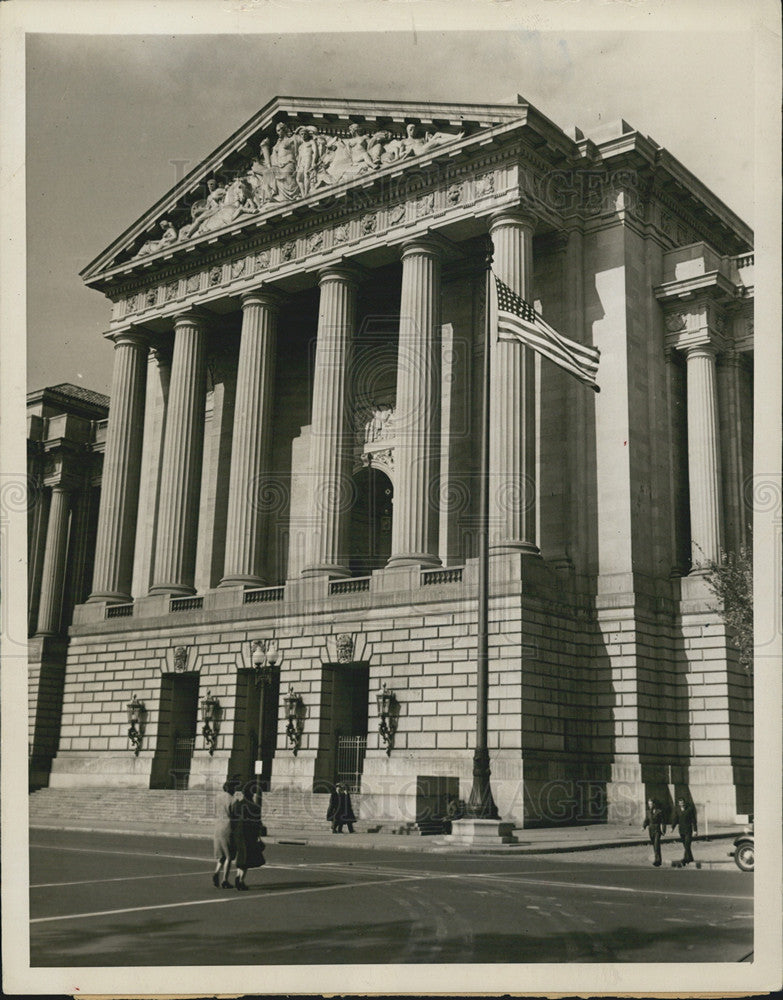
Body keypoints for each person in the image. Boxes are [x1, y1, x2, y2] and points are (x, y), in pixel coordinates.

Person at [231, 781, 266, 891]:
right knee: (246, 858)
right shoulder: (253, 807)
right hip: (248, 835)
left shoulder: (237, 804)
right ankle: (241, 880)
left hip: (237, 834)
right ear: (252, 794)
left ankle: (238, 876)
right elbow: (257, 823)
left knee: (241, 856)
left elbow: (233, 820)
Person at [212, 776, 239, 888]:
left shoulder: (217, 797)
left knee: (221, 854)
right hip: (228, 827)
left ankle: (216, 872)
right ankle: (224, 880)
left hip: (218, 826)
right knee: (229, 856)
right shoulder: (233, 800)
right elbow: (235, 815)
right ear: (232, 788)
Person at [671, 796, 698, 865]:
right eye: (680, 803)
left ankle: (685, 859)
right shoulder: (677, 810)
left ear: (684, 803)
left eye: (682, 803)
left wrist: (695, 830)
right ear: (678, 804)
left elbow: (693, 820)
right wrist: (672, 827)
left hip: (688, 829)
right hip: (681, 830)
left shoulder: (689, 809)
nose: (681, 804)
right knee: (685, 845)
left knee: (687, 844)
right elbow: (675, 819)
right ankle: (690, 858)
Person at [643, 797, 666, 867]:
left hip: (657, 830)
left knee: (656, 844)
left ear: (654, 804)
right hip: (651, 830)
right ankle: (658, 859)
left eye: (651, 804)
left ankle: (657, 860)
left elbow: (663, 822)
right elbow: (646, 820)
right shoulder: (648, 812)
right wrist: (643, 826)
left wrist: (663, 830)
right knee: (654, 845)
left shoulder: (659, 812)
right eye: (649, 804)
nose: (650, 805)